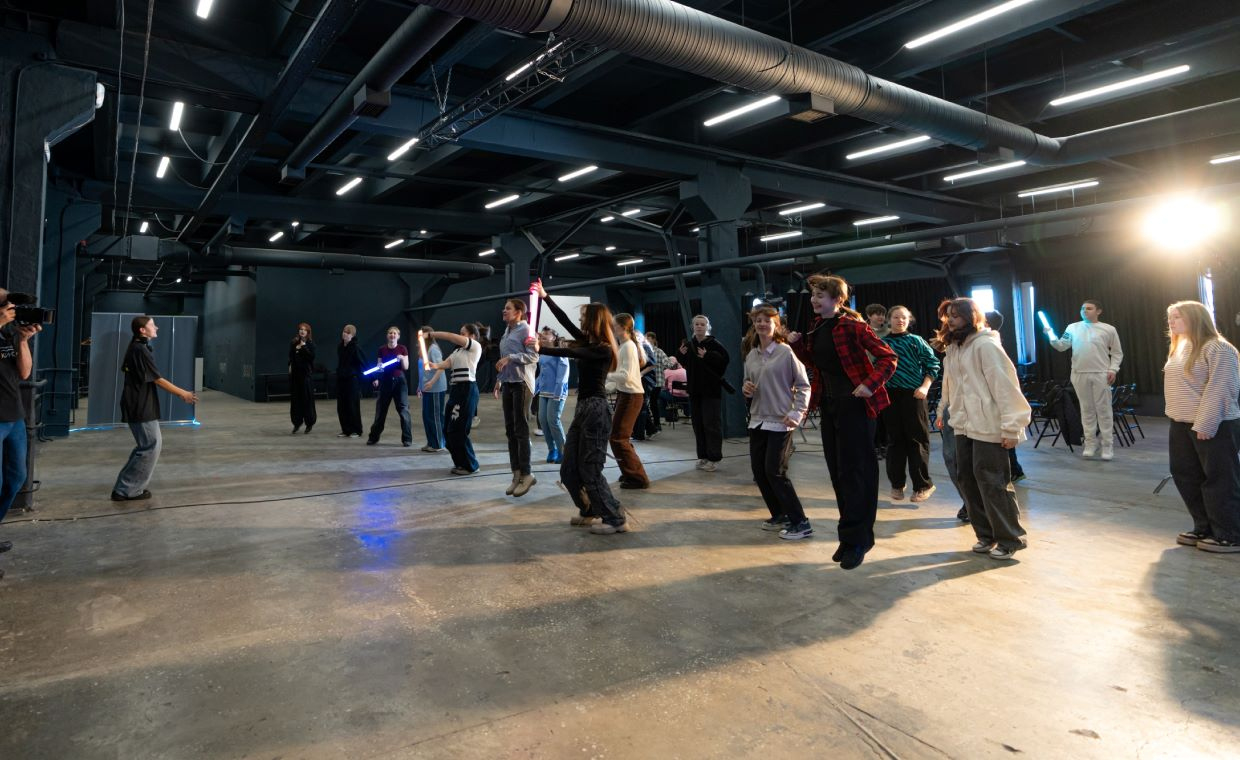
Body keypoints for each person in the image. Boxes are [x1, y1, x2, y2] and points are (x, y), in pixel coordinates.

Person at [789, 275, 895, 568]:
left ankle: (859, 540)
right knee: (838, 473)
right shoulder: (816, 326)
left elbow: (888, 358)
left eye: (820, 295)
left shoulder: (853, 326)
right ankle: (848, 537)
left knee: (857, 474)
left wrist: (869, 385)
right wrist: (798, 346)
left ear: (837, 299)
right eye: (813, 295)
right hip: (830, 405)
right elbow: (816, 363)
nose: (814, 300)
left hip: (856, 407)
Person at [936, 298, 1032, 561]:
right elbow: (949, 384)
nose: (950, 320)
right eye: (948, 315)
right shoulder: (954, 348)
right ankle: (986, 535)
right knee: (967, 479)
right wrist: (943, 409)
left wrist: (1012, 427)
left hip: (988, 424)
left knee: (992, 481)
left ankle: (1010, 538)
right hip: (962, 424)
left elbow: (1005, 385)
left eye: (956, 315)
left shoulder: (986, 345)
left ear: (971, 317)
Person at [531, 281, 628, 534]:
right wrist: (545, 296)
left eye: (584, 317)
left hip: (596, 410)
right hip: (584, 409)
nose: (581, 320)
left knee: (590, 468)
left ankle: (614, 518)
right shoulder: (588, 341)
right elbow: (564, 321)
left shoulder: (603, 349)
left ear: (594, 321)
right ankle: (589, 510)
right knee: (568, 469)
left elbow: (573, 354)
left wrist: (542, 348)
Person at [1164, 301, 1240, 553]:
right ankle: (1204, 527)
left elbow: (1221, 387)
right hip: (1181, 423)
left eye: (1177, 316)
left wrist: (1206, 422)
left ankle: (1230, 534)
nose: (1171, 321)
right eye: (1170, 317)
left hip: (1214, 424)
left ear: (1196, 318)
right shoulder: (1180, 347)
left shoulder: (1218, 348)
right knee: (1186, 475)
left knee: (1219, 479)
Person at [742, 304, 812, 539]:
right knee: (759, 470)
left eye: (767, 320)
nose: (762, 324)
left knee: (775, 471)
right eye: (758, 320)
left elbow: (804, 385)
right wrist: (746, 388)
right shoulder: (751, 355)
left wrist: (797, 413)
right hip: (757, 420)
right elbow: (747, 382)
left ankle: (800, 521)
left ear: (776, 325)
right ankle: (779, 514)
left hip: (781, 420)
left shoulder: (786, 352)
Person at [111, 316, 198, 502]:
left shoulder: (139, 348)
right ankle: (126, 490)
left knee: (147, 446)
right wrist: (183, 393)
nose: (156, 327)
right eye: (152, 325)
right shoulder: (139, 349)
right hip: (139, 405)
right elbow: (158, 379)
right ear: (142, 330)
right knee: (150, 446)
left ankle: (126, 487)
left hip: (140, 403)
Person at [1047, 299, 1124, 460]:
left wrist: (1113, 369)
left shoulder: (1108, 329)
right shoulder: (1072, 327)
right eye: (1082, 308)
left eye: (1089, 308)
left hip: (1101, 373)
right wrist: (1050, 334)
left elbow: (1117, 352)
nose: (1084, 311)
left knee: (1104, 410)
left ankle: (1107, 446)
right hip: (1079, 373)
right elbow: (1062, 346)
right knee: (1086, 409)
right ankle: (1090, 443)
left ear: (1098, 311)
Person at [881, 305, 940, 503]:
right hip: (890, 395)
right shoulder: (882, 343)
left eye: (904, 317)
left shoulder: (916, 341)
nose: (900, 320)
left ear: (909, 320)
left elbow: (933, 364)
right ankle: (897, 484)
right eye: (896, 317)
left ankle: (923, 485)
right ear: (889, 320)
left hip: (914, 394)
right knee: (894, 441)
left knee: (917, 441)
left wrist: (925, 387)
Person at [0, 291, 41, 580]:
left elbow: (24, 373)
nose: (11, 308)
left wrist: (23, 340)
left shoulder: (8, 334)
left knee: (16, 478)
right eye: (5, 304)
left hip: (13, 415)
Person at [494, 298, 539, 497]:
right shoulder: (508, 331)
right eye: (504, 308)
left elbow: (533, 356)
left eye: (508, 308)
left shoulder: (526, 330)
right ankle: (516, 473)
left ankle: (527, 474)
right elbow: (504, 361)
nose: (504, 311)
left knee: (521, 430)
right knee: (510, 431)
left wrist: (510, 358)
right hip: (508, 383)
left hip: (522, 384)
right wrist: (499, 380)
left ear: (519, 312)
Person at [425, 324, 483, 475]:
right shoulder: (458, 351)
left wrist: (431, 334)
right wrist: (434, 365)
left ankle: (471, 465)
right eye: (460, 333)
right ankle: (460, 463)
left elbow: (450, 336)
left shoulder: (474, 347)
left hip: (467, 390)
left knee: (459, 430)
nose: (459, 336)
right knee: (448, 430)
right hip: (456, 391)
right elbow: (447, 363)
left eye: (463, 334)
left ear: (472, 336)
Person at [679, 315, 729, 472]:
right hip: (695, 391)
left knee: (711, 424)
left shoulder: (714, 344)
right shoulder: (689, 344)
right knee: (698, 425)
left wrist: (708, 356)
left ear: (707, 327)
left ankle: (714, 458)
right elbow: (686, 365)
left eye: (702, 324)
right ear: (692, 326)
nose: (699, 327)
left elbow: (724, 361)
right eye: (697, 324)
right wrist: (681, 355)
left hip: (711, 391)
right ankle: (703, 456)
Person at [608, 313, 650, 489]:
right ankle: (629, 471)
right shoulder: (625, 346)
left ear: (622, 327)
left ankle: (638, 478)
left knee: (618, 438)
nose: (611, 328)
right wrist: (606, 385)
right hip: (626, 395)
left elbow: (625, 376)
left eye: (614, 325)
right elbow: (622, 376)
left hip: (631, 396)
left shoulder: (628, 347)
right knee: (618, 437)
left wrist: (605, 375)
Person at [985, 311, 1026, 482]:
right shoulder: (990, 341)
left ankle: (1013, 470)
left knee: (1002, 439)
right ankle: (1013, 470)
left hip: (996, 400)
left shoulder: (991, 343)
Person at [366, 326, 412, 447]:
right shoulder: (382, 349)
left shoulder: (402, 349)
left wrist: (402, 359)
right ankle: (373, 437)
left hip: (399, 382)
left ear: (398, 336)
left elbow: (406, 367)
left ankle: (407, 439)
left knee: (404, 410)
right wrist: (379, 367)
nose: (392, 335)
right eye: (390, 333)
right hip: (385, 381)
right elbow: (379, 367)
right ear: (387, 335)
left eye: (395, 333)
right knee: (380, 411)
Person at [535, 327, 569, 464]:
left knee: (553, 421)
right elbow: (542, 373)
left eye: (547, 334)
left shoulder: (560, 352)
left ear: (554, 337)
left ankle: (563, 452)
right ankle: (552, 450)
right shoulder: (543, 353)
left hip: (557, 393)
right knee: (543, 421)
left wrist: (558, 392)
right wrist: (535, 388)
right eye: (542, 334)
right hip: (544, 391)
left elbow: (563, 374)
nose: (543, 335)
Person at [418, 326, 447, 452]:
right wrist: (420, 386)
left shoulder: (433, 349)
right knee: (427, 416)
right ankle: (431, 442)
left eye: (423, 334)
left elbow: (441, 367)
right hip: (427, 388)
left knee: (435, 416)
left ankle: (438, 444)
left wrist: (431, 382)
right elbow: (423, 370)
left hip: (436, 388)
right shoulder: (424, 350)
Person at [335, 324, 365, 438]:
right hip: (341, 379)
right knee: (341, 406)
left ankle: (356, 430)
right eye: (344, 331)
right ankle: (346, 430)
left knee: (352, 405)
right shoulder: (340, 347)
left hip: (352, 380)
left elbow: (364, 362)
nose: (345, 334)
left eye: (348, 333)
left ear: (352, 335)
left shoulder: (355, 348)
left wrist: (374, 378)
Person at [288, 322, 316, 434]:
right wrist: (290, 365)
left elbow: (311, 357)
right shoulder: (294, 343)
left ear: (308, 332)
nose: (302, 331)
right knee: (296, 401)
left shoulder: (310, 344)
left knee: (307, 400)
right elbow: (291, 356)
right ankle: (297, 423)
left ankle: (309, 423)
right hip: (295, 376)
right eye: (300, 329)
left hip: (306, 376)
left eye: (304, 330)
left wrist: (303, 346)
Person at [644, 331, 671, 434]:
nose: (646, 340)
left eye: (648, 338)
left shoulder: (659, 351)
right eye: (645, 338)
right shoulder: (643, 351)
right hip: (646, 381)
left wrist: (662, 365)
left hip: (656, 381)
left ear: (653, 340)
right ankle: (649, 425)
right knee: (646, 404)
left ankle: (656, 424)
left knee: (653, 403)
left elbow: (668, 364)